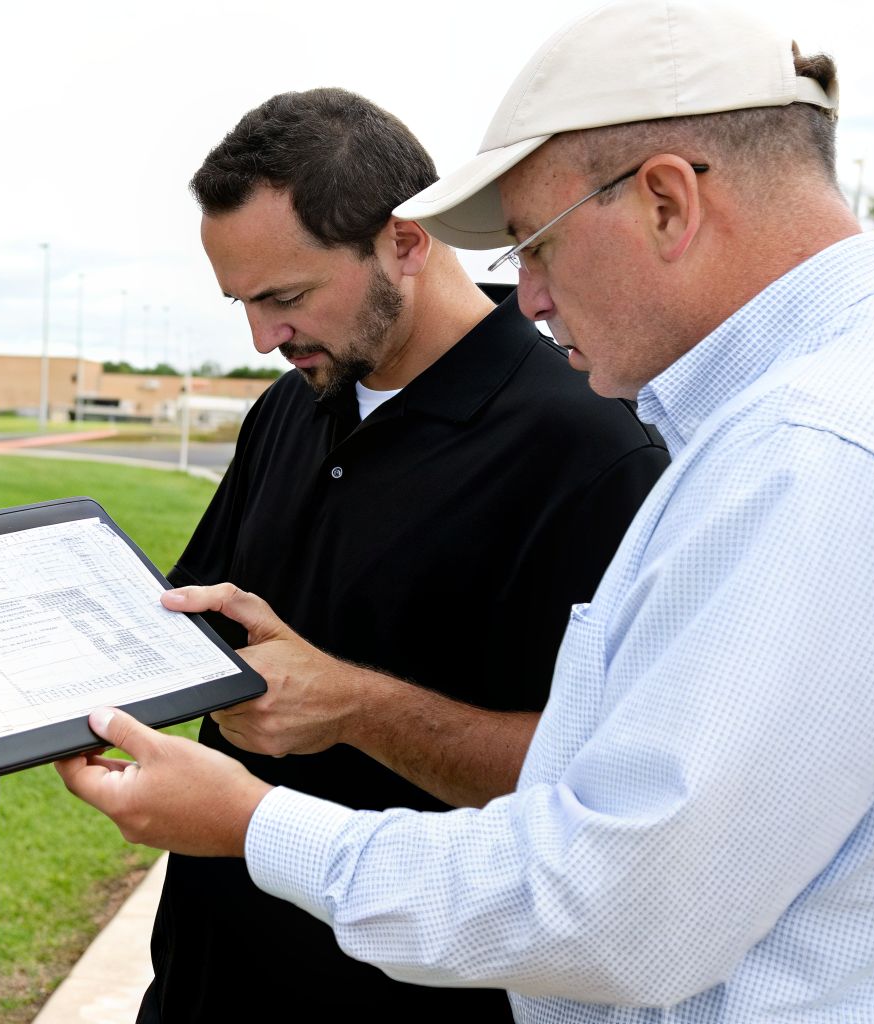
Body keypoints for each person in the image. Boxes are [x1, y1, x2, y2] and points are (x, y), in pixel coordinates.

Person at [58, 2, 874, 1021]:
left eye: (534, 245)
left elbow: (615, 901)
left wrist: (256, 822)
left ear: (666, 204)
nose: (531, 298)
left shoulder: (820, 456)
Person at [137, 88, 667, 1022]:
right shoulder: (292, 406)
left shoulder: (591, 450)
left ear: (407, 243)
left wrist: (351, 707)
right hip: (204, 978)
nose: (263, 338)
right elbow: (196, 616)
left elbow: (597, 790)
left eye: (285, 297)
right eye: (243, 303)